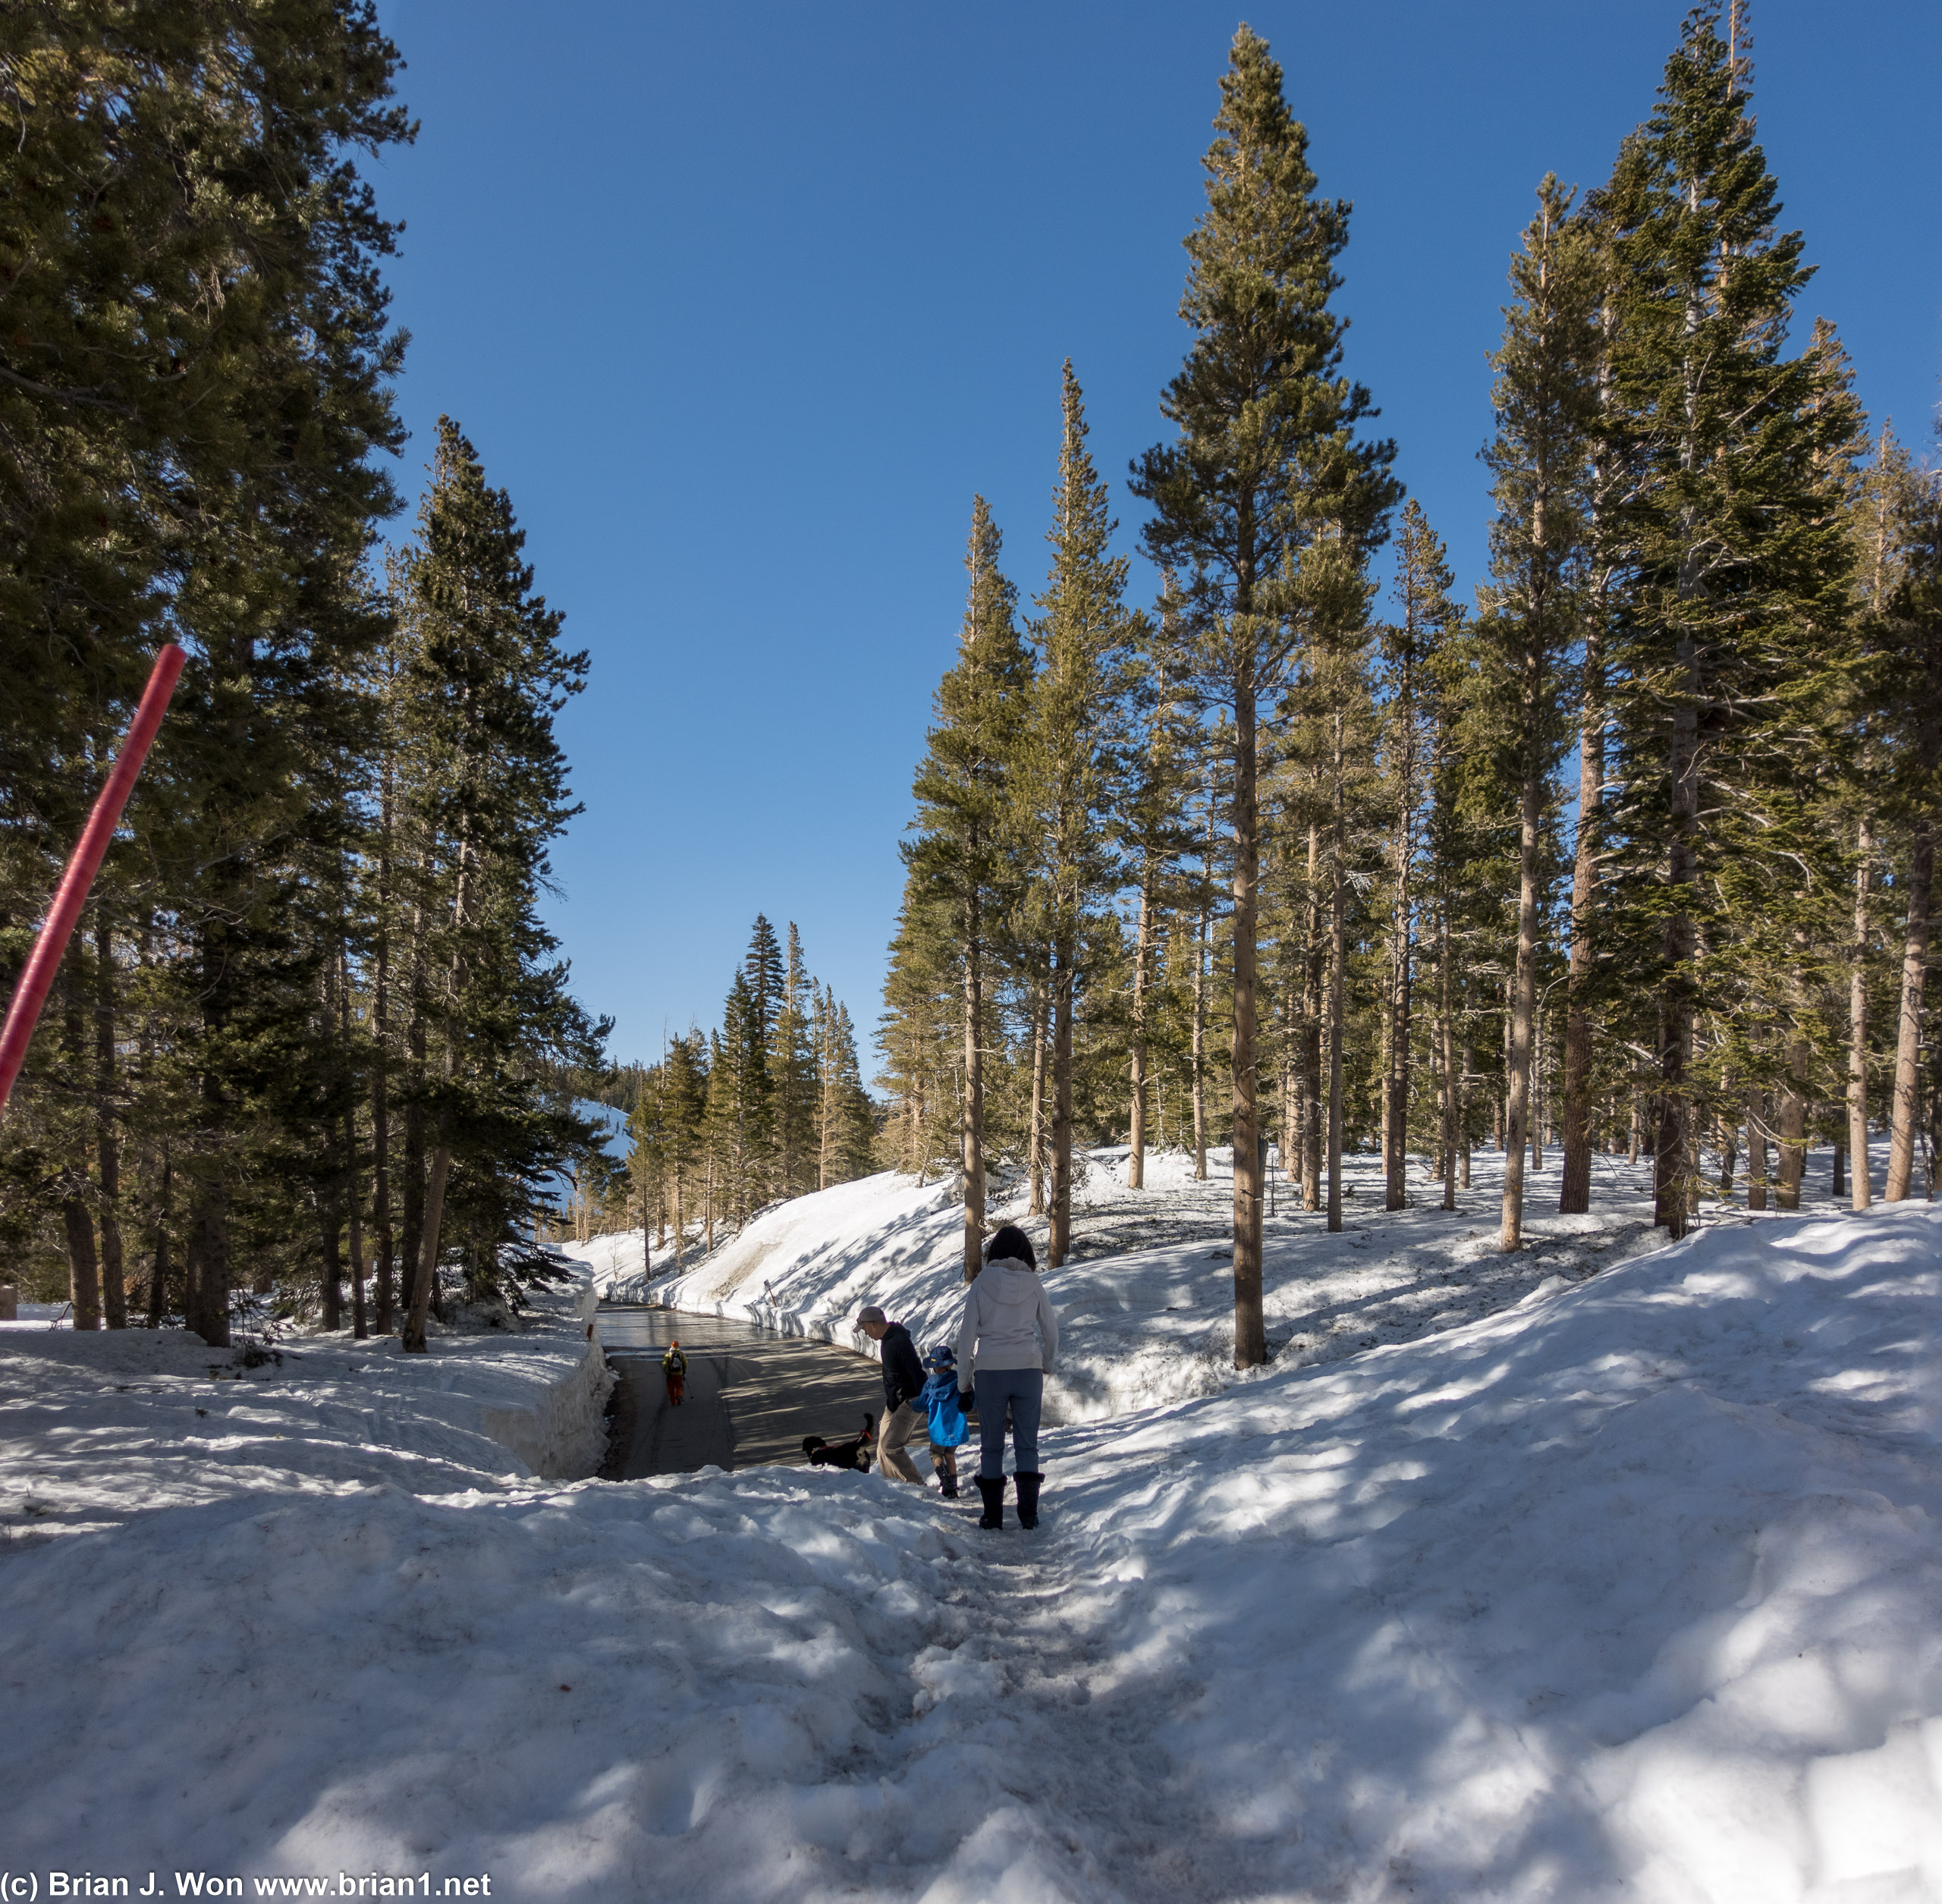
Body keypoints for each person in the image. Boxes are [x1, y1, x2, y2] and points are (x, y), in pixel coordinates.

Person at [955, 1224, 1058, 1530]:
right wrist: (1047, 1363)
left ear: (994, 1253)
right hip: (1028, 1368)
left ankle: (993, 1515)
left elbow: (966, 1338)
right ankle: (1028, 1514)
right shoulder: (1034, 1283)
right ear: (1026, 1252)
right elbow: (1051, 1332)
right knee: (1028, 1444)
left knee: (991, 1445)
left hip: (990, 1371)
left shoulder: (981, 1283)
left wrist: (964, 1380)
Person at [856, 1303, 927, 1484]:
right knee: (882, 1450)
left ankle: (917, 1485)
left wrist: (927, 1401)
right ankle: (894, 1486)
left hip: (910, 1400)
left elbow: (917, 1372)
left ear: (873, 1325)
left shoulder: (899, 1343)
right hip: (893, 1403)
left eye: (864, 1328)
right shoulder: (887, 1339)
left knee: (890, 1446)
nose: (865, 1333)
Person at [919, 1343, 969, 1498]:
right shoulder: (959, 1381)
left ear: (935, 1367)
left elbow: (922, 1402)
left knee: (935, 1453)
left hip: (939, 1427)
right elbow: (969, 1400)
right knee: (950, 1455)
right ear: (950, 1364)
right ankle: (953, 1488)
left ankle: (945, 1481)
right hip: (956, 1427)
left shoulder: (930, 1384)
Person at [661, 1339, 687, 1407]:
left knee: (671, 1389)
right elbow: (685, 1363)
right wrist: (684, 1370)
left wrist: (665, 1370)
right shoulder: (681, 1354)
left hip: (670, 1375)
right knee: (679, 1387)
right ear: (678, 1346)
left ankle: (673, 1403)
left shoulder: (668, 1354)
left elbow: (664, 1364)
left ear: (671, 1346)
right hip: (679, 1374)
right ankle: (679, 1397)